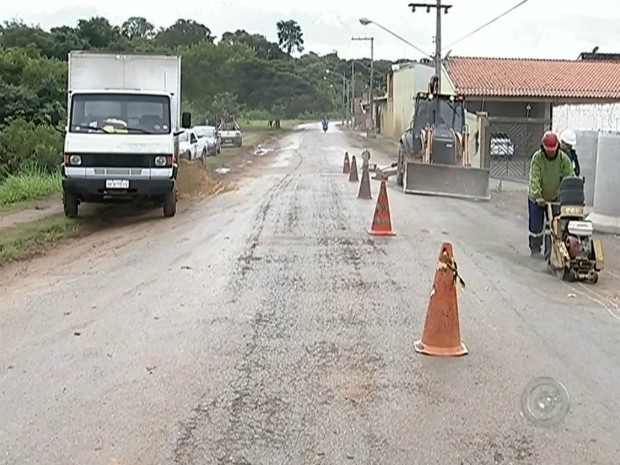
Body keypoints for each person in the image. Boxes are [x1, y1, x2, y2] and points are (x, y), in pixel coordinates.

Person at [527, 131, 575, 258]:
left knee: (554, 226)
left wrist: (570, 193)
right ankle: (535, 250)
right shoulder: (537, 158)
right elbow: (534, 178)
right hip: (537, 198)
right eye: (548, 150)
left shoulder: (563, 159)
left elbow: (569, 176)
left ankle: (550, 253)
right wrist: (537, 195)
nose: (551, 152)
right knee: (536, 226)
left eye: (553, 150)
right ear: (543, 148)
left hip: (554, 197)